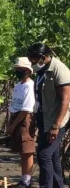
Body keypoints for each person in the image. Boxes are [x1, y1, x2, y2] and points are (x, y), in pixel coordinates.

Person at [27, 42, 70, 188]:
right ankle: (58, 185)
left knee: (44, 155)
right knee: (52, 156)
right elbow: (39, 98)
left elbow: (65, 101)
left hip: (57, 121)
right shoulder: (41, 72)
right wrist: (34, 120)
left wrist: (56, 126)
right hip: (44, 118)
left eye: (34, 59)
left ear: (43, 57)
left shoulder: (59, 70)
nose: (32, 62)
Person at [6, 57, 35, 188]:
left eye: (20, 69)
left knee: (27, 149)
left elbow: (26, 109)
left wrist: (13, 125)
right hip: (16, 116)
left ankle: (27, 180)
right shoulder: (18, 85)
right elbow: (15, 105)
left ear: (28, 71)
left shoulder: (30, 85)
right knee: (21, 150)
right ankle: (23, 178)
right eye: (17, 69)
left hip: (24, 119)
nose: (18, 72)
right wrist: (10, 122)